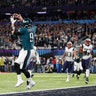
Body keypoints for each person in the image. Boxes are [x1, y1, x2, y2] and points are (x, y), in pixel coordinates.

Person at [10, 13, 38, 90]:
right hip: (25, 49)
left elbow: (14, 32)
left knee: (22, 68)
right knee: (16, 64)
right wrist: (20, 18)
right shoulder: (33, 28)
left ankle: (31, 82)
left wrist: (12, 22)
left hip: (28, 50)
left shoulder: (23, 29)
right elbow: (26, 22)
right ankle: (20, 80)